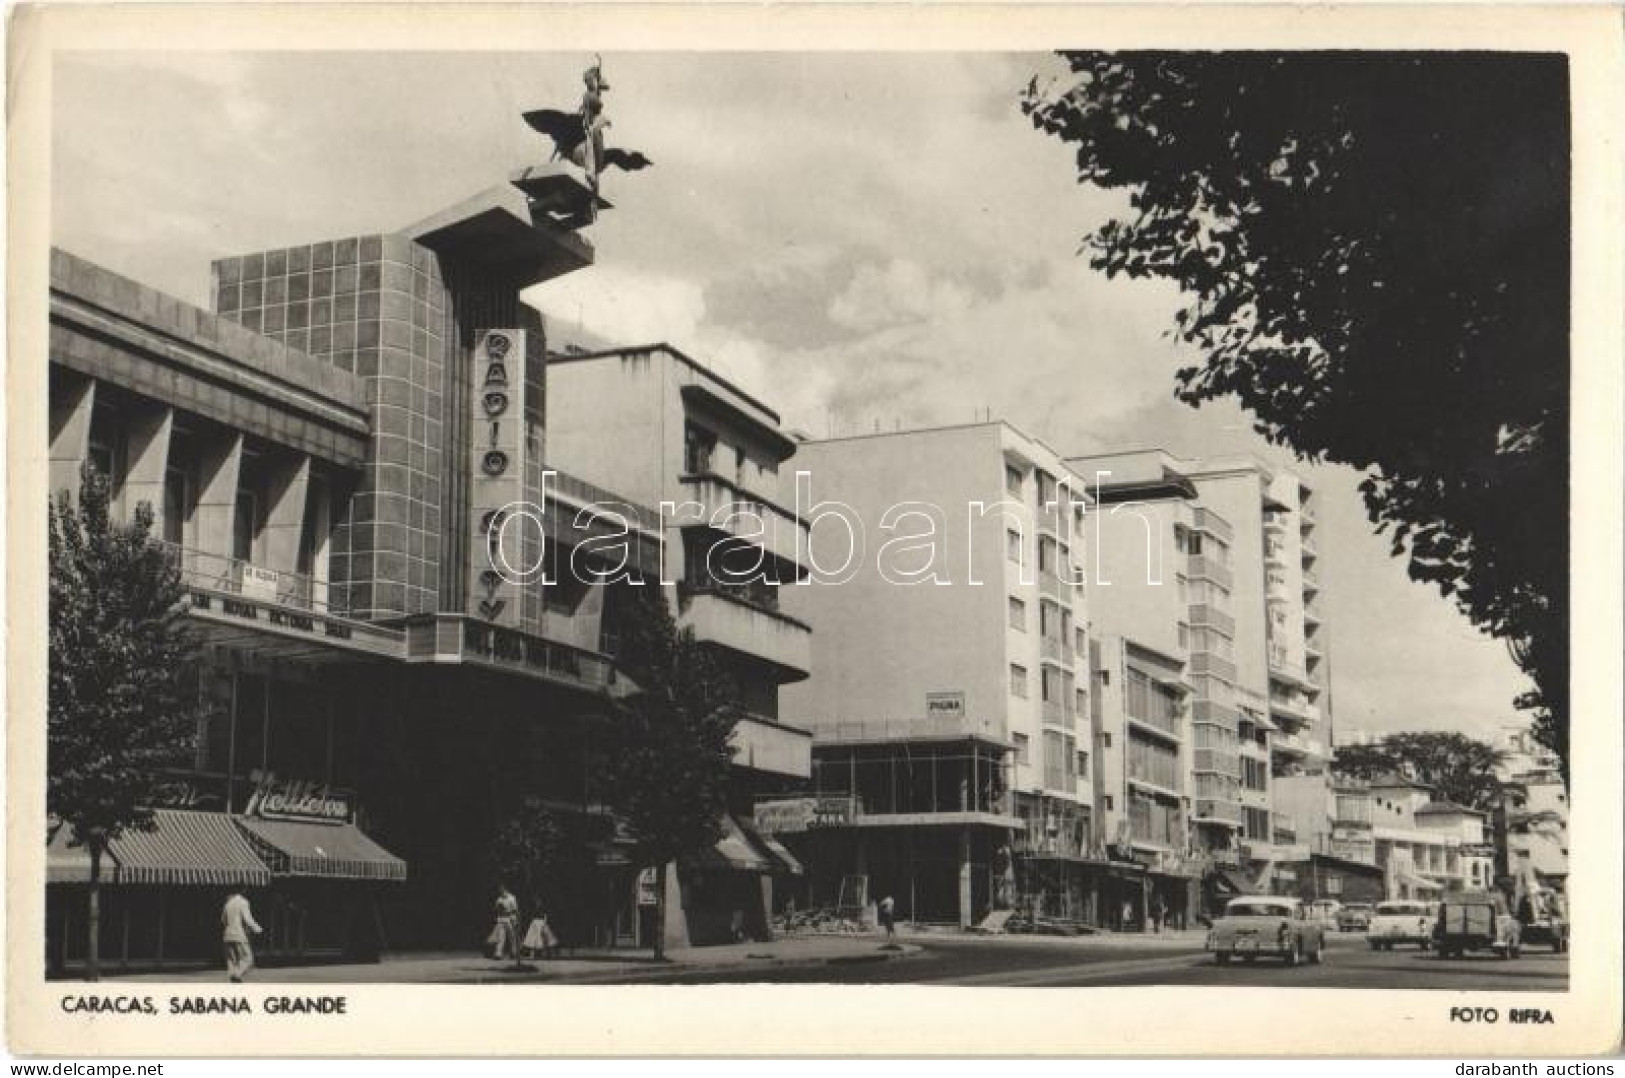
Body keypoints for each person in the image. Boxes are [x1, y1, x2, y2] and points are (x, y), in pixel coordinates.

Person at [221, 890, 263, 983]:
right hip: (239, 934)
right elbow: (247, 918)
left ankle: (233, 978)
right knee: (247, 959)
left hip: (227, 935)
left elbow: (223, 920)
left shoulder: (227, 903)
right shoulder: (243, 902)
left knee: (232, 960)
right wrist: (257, 928)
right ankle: (237, 974)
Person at [489, 885, 520, 962]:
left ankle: (513, 953)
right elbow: (496, 909)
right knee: (501, 937)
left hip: (509, 919)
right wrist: (498, 908)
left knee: (512, 937)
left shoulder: (512, 898)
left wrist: (514, 918)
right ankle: (498, 954)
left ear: (506, 889)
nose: (501, 891)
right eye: (500, 890)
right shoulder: (499, 899)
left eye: (502, 889)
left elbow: (515, 910)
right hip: (501, 919)